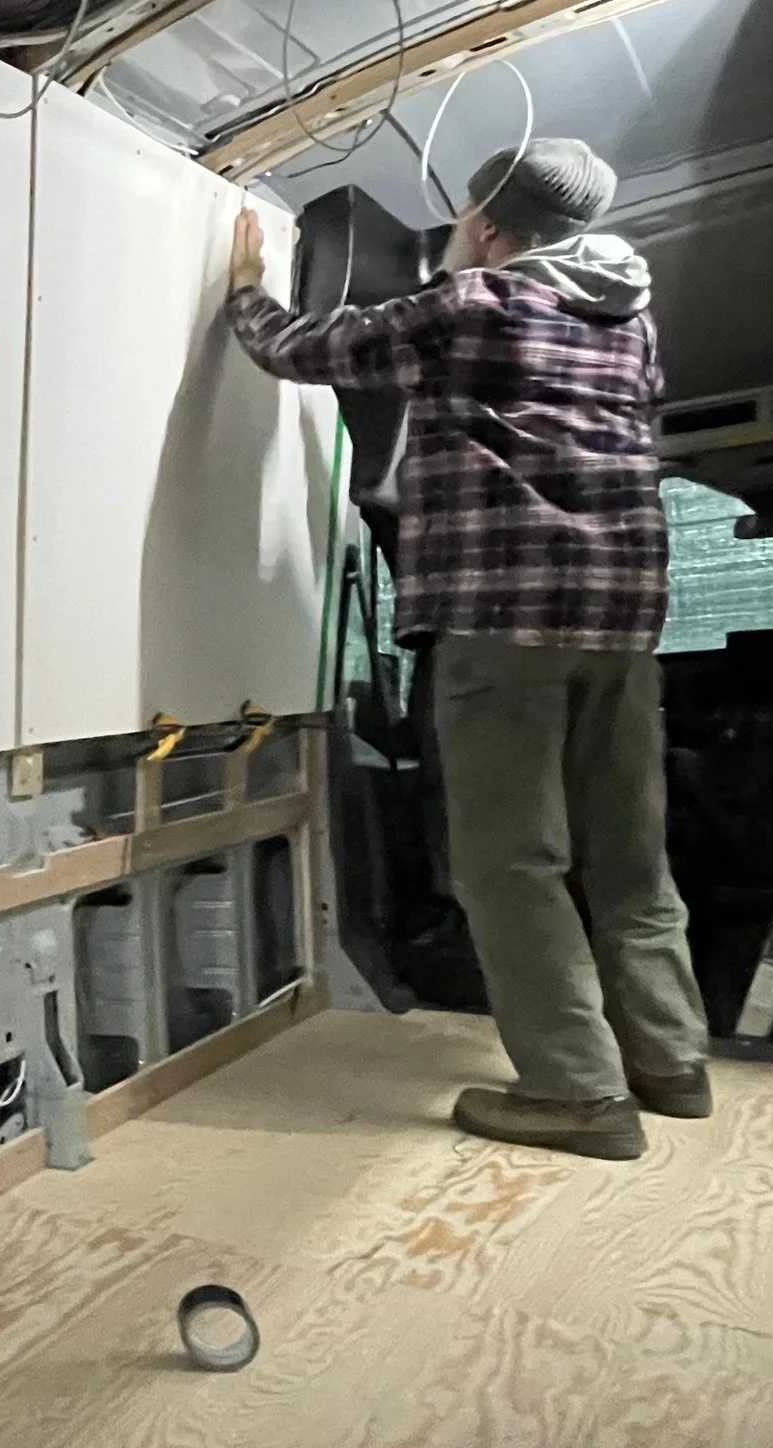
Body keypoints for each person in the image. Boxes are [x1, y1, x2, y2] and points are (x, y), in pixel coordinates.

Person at [225, 134, 711, 1162]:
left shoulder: (473, 303)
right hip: (621, 625)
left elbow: (299, 351)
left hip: (503, 620)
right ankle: (668, 1061)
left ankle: (578, 1094)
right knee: (628, 851)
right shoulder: (632, 326)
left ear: (485, 225)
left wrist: (243, 285)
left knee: (509, 863)